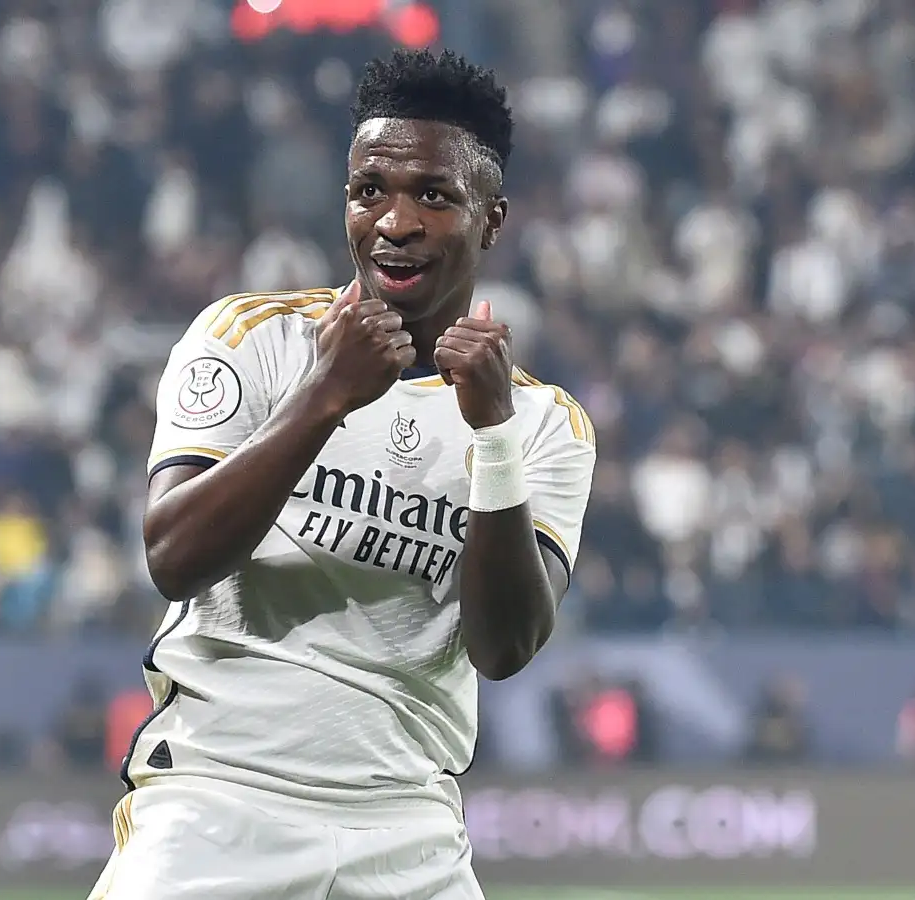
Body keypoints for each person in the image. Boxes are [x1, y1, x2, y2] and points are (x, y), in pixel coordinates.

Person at [90, 49, 596, 899]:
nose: (393, 222)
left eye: (433, 195)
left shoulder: (542, 422)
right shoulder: (251, 339)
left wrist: (493, 439)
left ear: (493, 219)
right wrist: (324, 397)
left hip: (409, 828)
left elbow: (504, 647)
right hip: (218, 802)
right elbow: (172, 554)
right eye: (370, 191)